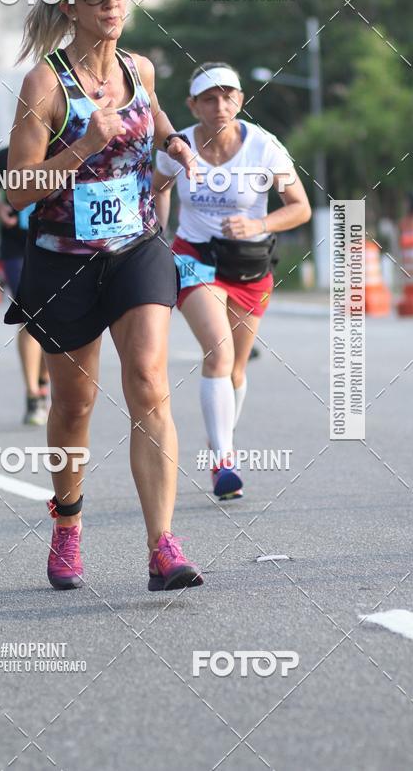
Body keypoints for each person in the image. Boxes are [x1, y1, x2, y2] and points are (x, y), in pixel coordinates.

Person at [4, 0, 204, 592]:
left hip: (136, 248)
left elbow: (155, 113)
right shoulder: (44, 85)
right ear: (71, 6)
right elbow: (17, 189)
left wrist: (173, 142)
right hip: (63, 261)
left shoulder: (139, 68)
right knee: (74, 404)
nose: (113, 2)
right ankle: (67, 523)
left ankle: (162, 547)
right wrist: (84, 146)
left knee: (148, 380)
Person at [153, 62, 311, 500]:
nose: (219, 106)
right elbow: (159, 187)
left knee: (236, 368)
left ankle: (221, 439)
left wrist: (259, 224)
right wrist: (159, 236)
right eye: (209, 99)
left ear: (240, 100)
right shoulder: (178, 146)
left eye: (228, 97)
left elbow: (299, 207)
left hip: (248, 264)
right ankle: (224, 460)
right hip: (195, 257)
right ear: (193, 105)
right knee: (218, 353)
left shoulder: (264, 147)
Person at [0, 146, 50, 424]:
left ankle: (43, 381)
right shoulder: (2, 157)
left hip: (55, 242)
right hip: (16, 247)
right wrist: (1, 210)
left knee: (53, 318)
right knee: (30, 315)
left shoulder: (60, 147)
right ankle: (33, 395)